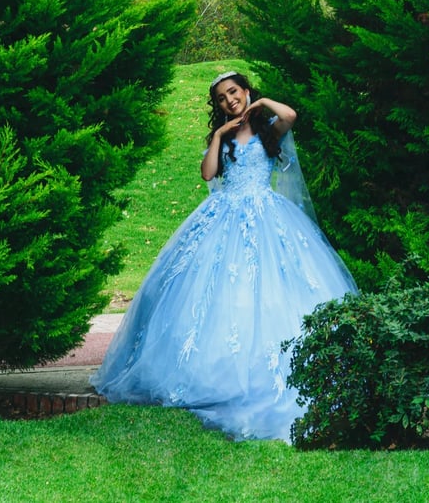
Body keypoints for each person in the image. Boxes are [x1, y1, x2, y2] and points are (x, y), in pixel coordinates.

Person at [91, 70, 358, 442]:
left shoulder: (268, 130)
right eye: (222, 97)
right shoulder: (225, 136)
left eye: (234, 92)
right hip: (223, 216)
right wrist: (219, 134)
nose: (229, 100)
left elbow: (292, 116)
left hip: (266, 217)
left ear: (245, 91)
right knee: (217, 294)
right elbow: (208, 174)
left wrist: (261, 104)